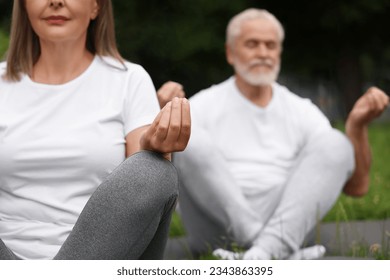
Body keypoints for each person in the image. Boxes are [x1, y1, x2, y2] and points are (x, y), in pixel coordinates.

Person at [164, 8, 389, 259]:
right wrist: (159, 115)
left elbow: (357, 187)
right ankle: (271, 251)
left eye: (271, 46)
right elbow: (158, 178)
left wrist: (356, 127)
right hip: (216, 231)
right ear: (230, 53)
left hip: (286, 224)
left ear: (279, 53)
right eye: (252, 44)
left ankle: (264, 251)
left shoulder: (301, 109)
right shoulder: (202, 104)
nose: (263, 53)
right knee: (186, 137)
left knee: (336, 143)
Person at [0, 0, 190, 260]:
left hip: (103, 256)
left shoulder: (129, 80)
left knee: (152, 169)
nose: (56, 2)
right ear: (23, 6)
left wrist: (152, 147)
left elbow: (143, 186)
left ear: (96, 7)